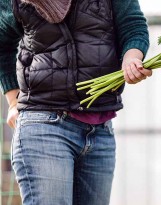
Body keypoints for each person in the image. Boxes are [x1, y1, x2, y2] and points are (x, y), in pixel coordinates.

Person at [0, 0, 152, 204]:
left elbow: (132, 26)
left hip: (100, 131)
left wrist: (131, 57)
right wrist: (12, 100)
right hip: (43, 127)